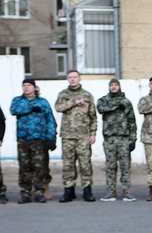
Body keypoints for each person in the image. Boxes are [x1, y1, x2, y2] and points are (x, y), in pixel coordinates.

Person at [9, 79, 56, 204]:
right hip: (23, 139)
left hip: (39, 140)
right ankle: (25, 193)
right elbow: (14, 110)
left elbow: (50, 120)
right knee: (24, 167)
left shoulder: (43, 102)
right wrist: (30, 107)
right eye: (24, 85)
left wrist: (51, 137)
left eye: (29, 85)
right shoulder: (17, 100)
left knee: (39, 167)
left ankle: (39, 192)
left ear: (35, 87)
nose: (26, 87)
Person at [54, 70, 97, 202]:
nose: (72, 79)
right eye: (70, 77)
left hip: (83, 135)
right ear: (67, 79)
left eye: (75, 77)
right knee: (68, 164)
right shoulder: (63, 94)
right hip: (67, 135)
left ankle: (87, 189)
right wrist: (73, 102)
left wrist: (93, 134)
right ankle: (68, 190)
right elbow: (58, 107)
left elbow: (93, 116)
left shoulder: (87, 95)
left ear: (79, 78)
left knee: (85, 164)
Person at [96, 78, 138, 202]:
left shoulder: (126, 102)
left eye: (116, 85)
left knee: (125, 166)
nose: (114, 87)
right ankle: (111, 191)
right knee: (110, 166)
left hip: (123, 138)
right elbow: (100, 109)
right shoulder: (103, 100)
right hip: (109, 138)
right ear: (109, 87)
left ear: (119, 86)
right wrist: (116, 106)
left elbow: (132, 121)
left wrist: (133, 139)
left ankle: (127, 191)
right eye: (111, 85)